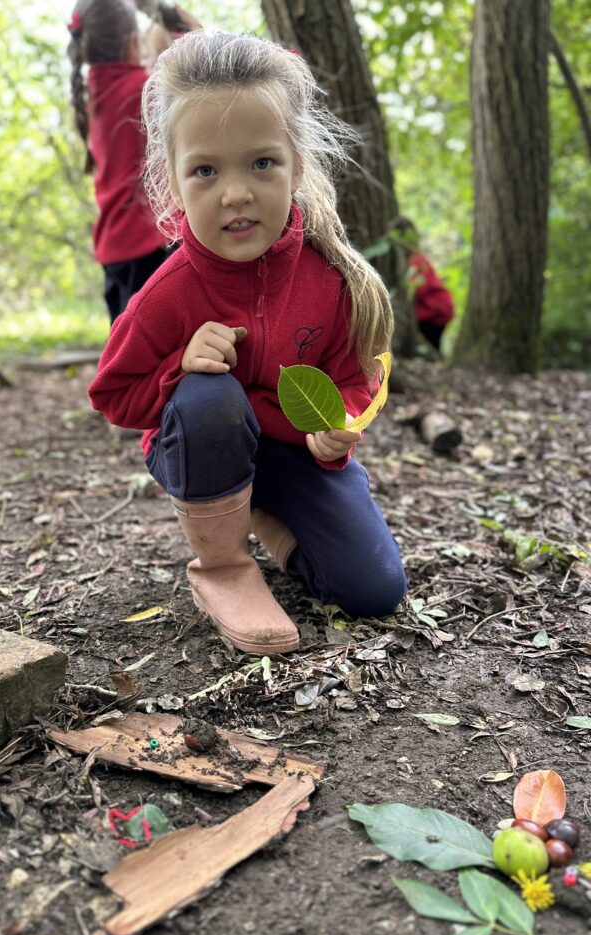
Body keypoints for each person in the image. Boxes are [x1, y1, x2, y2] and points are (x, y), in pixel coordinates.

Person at [89, 31, 407, 655]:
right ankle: (224, 562)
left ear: (296, 164)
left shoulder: (330, 278)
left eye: (261, 163)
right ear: (173, 186)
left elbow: (352, 373)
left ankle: (263, 517)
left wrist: (340, 418)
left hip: (293, 455)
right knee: (211, 394)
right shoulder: (169, 292)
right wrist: (177, 368)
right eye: (205, 170)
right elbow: (114, 396)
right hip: (203, 445)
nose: (235, 193)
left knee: (373, 591)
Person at [67, 0, 197, 323]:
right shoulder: (141, 90)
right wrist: (177, 22)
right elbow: (197, 75)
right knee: (161, 348)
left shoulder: (89, 97)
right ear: (130, 43)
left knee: (126, 350)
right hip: (149, 245)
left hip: (114, 249)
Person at [392, 216, 454, 353]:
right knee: (433, 347)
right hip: (434, 310)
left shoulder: (417, 261)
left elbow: (419, 288)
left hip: (435, 311)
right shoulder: (416, 259)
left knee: (432, 347)